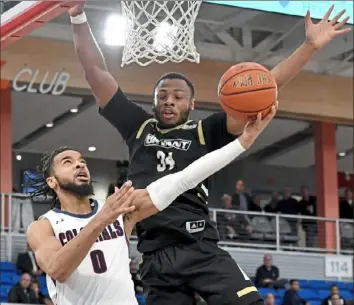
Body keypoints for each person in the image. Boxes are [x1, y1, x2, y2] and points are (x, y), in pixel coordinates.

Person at [68, 2, 351, 305]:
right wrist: (77, 17)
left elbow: (264, 87)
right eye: (161, 96)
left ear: (191, 105)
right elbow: (95, 72)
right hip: (155, 254)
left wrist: (308, 46)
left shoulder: (205, 131)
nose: (168, 101)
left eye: (178, 97)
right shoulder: (138, 127)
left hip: (199, 245)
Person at [26, 108, 277, 305]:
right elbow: (58, 269)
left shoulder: (123, 207)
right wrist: (103, 219)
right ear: (52, 181)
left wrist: (242, 143)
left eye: (82, 160)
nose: (80, 165)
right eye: (68, 162)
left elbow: (184, 178)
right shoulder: (43, 226)